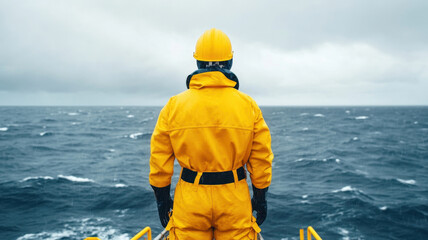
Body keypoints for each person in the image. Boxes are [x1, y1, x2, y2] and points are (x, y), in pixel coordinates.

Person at [149, 28, 273, 240]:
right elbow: (261, 158)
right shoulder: (248, 105)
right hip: (234, 197)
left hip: (191, 197)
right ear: (230, 61)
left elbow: (159, 159)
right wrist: (260, 198)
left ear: (197, 62)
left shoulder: (174, 105)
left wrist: (162, 200)